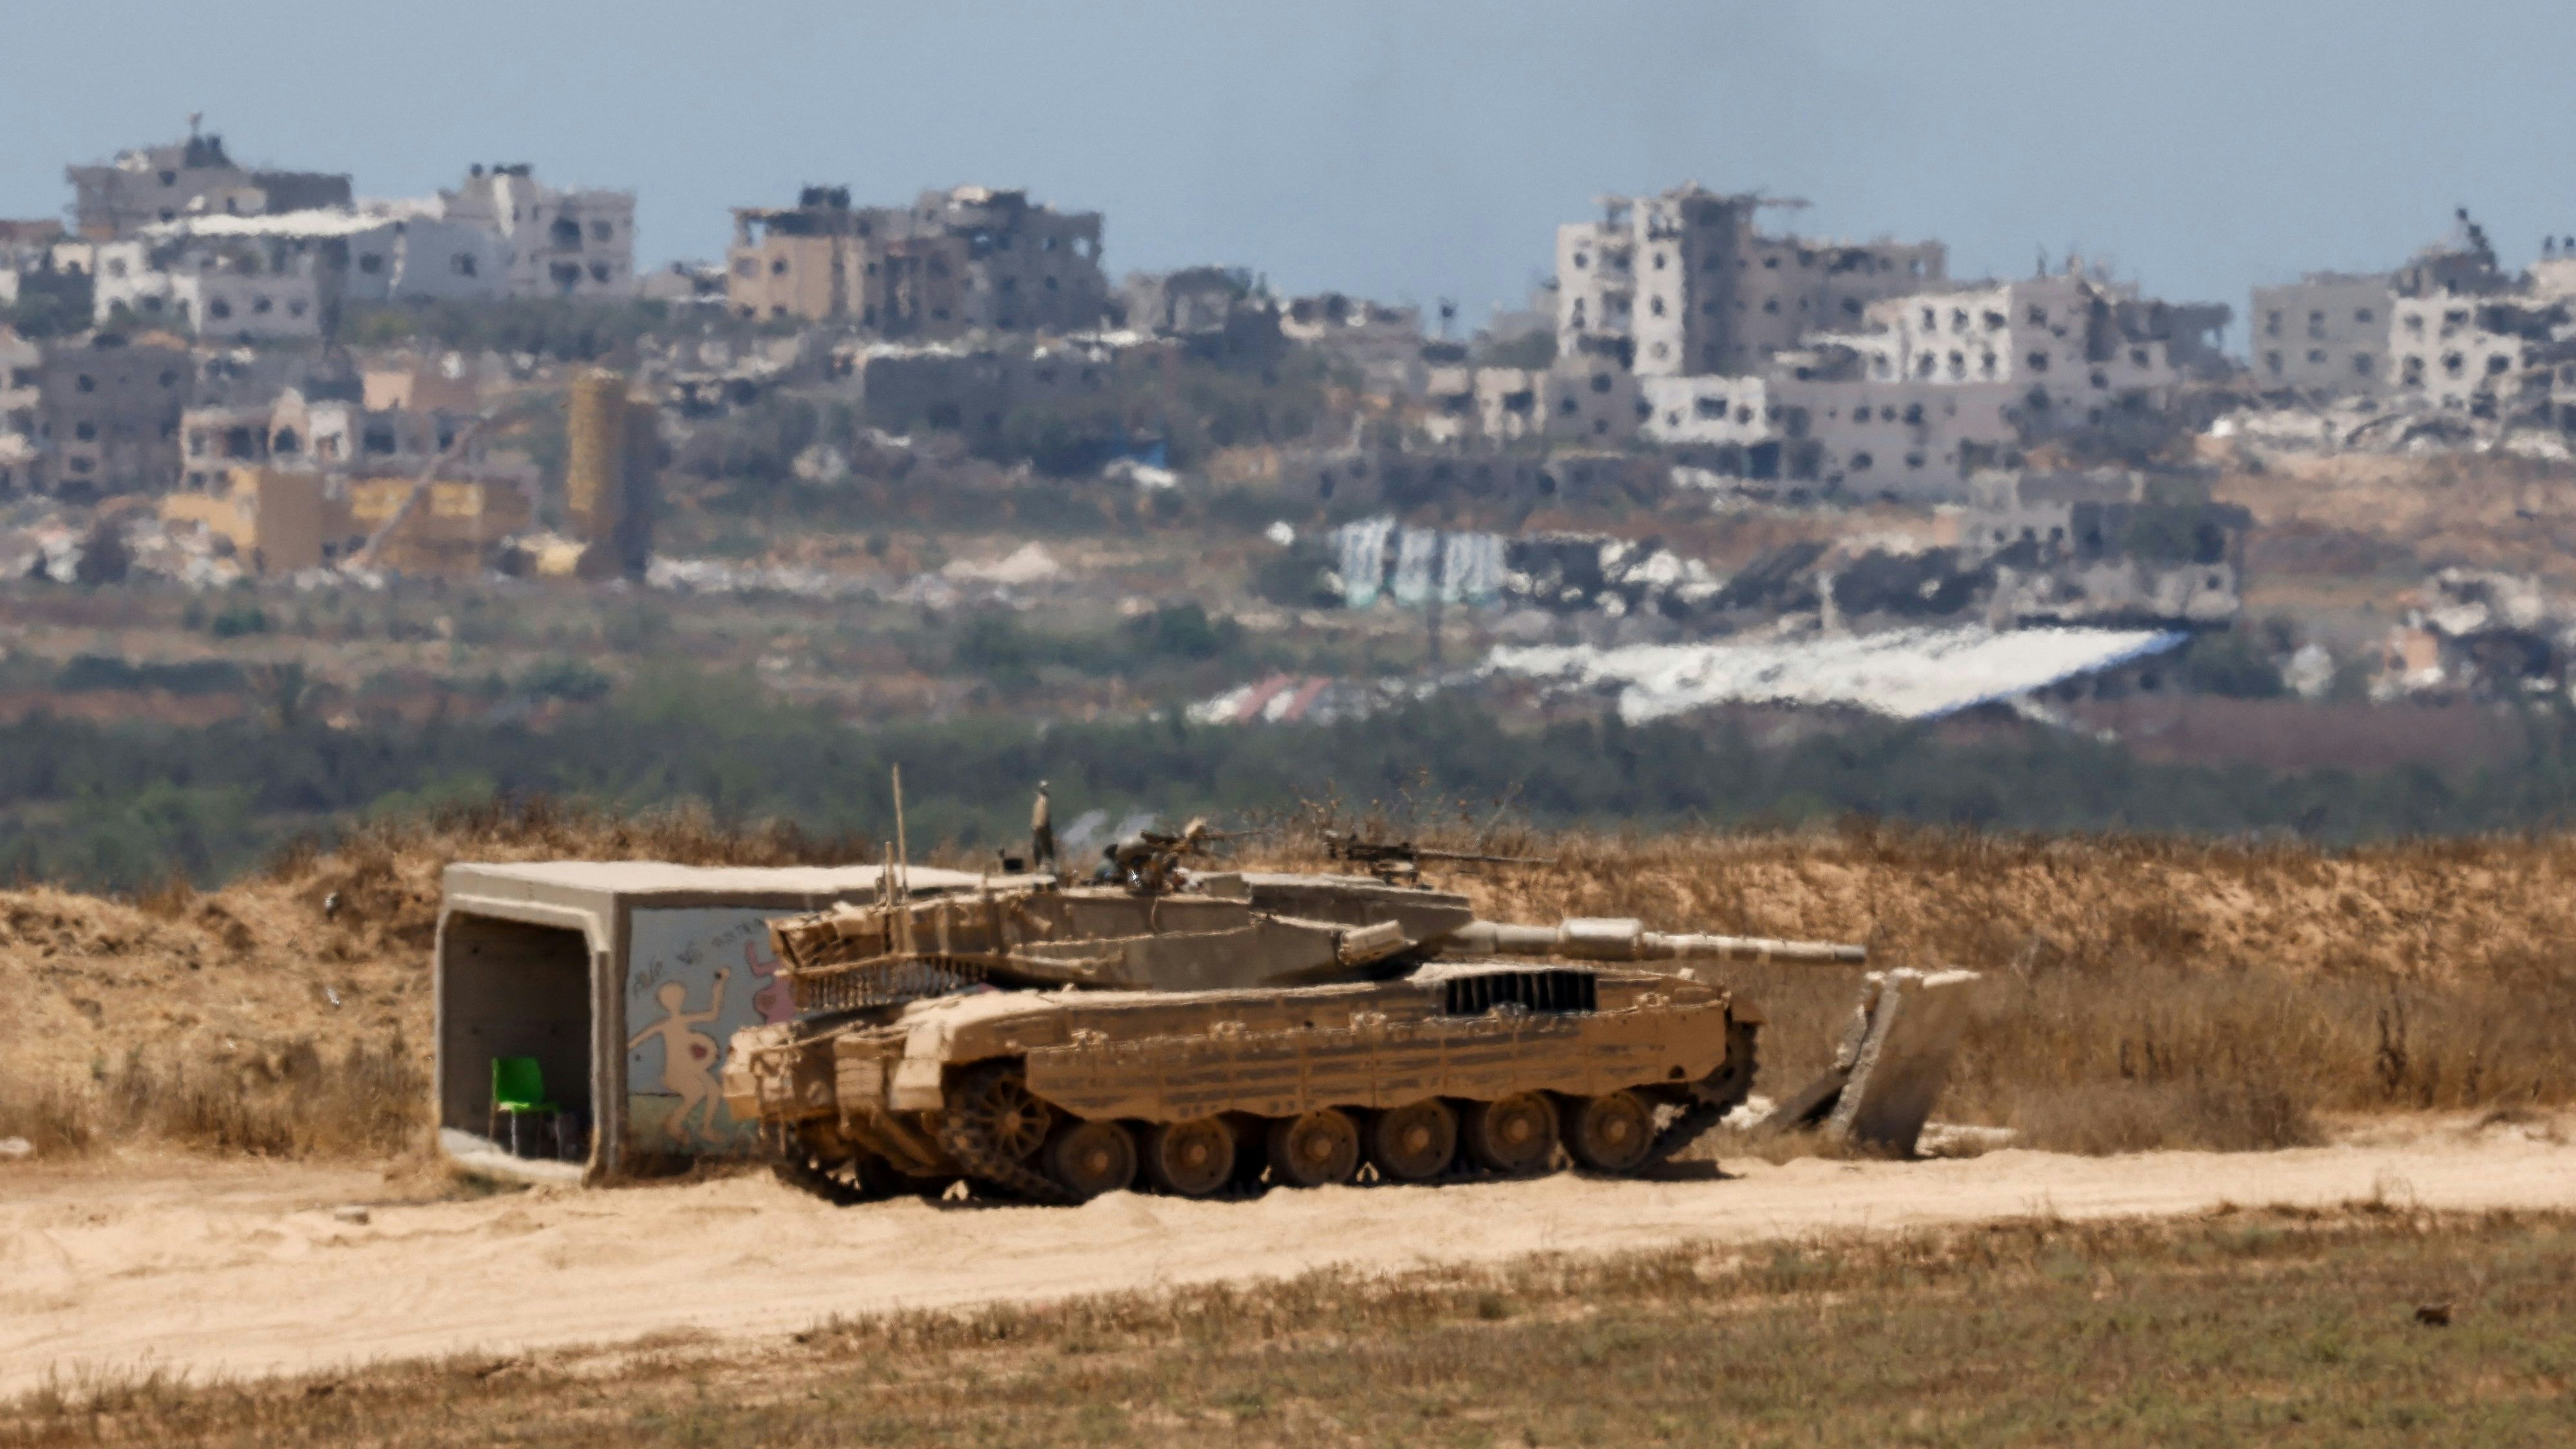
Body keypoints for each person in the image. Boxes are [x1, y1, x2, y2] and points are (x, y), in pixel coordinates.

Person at [1030, 780, 1057, 873]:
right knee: (1046, 850)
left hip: (1039, 829)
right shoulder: (1043, 801)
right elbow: (1043, 818)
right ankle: (1046, 869)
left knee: (1041, 848)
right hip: (1042, 829)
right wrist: (1045, 829)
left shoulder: (1039, 801)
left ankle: (1044, 867)